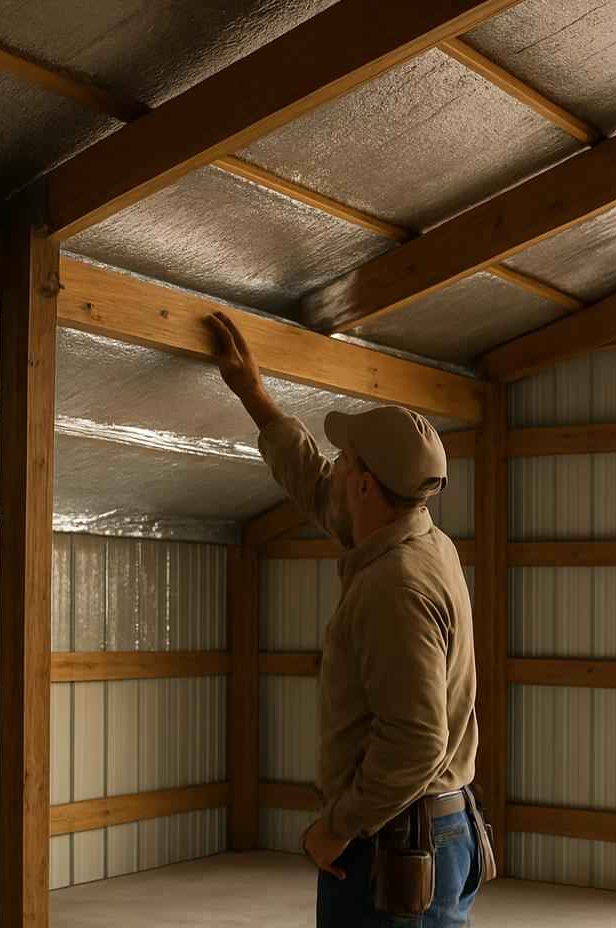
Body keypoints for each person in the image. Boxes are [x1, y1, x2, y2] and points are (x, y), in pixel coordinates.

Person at [208, 311, 492, 926]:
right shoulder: (415, 538)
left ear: (365, 487)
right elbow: (314, 483)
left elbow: (417, 740)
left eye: (344, 461)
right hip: (432, 826)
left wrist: (335, 830)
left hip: (396, 842)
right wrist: (254, 395)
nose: (333, 466)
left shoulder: (395, 587)